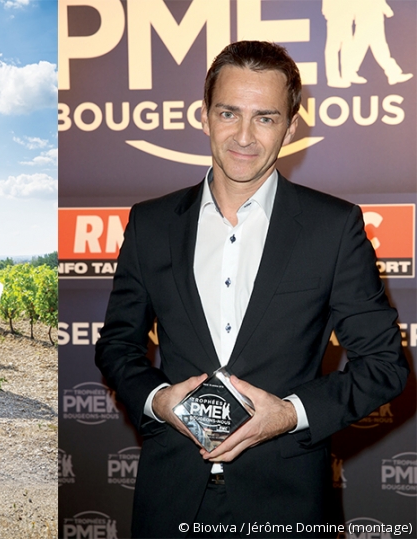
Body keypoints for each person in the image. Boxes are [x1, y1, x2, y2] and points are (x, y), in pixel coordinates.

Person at [94, 41, 408, 539]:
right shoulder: (150, 223)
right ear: (204, 116)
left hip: (287, 501)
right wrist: (158, 400)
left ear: (291, 125)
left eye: (265, 117)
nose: (243, 136)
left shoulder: (333, 227)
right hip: (169, 497)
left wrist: (289, 414)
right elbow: (117, 345)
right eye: (229, 113)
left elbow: (384, 366)